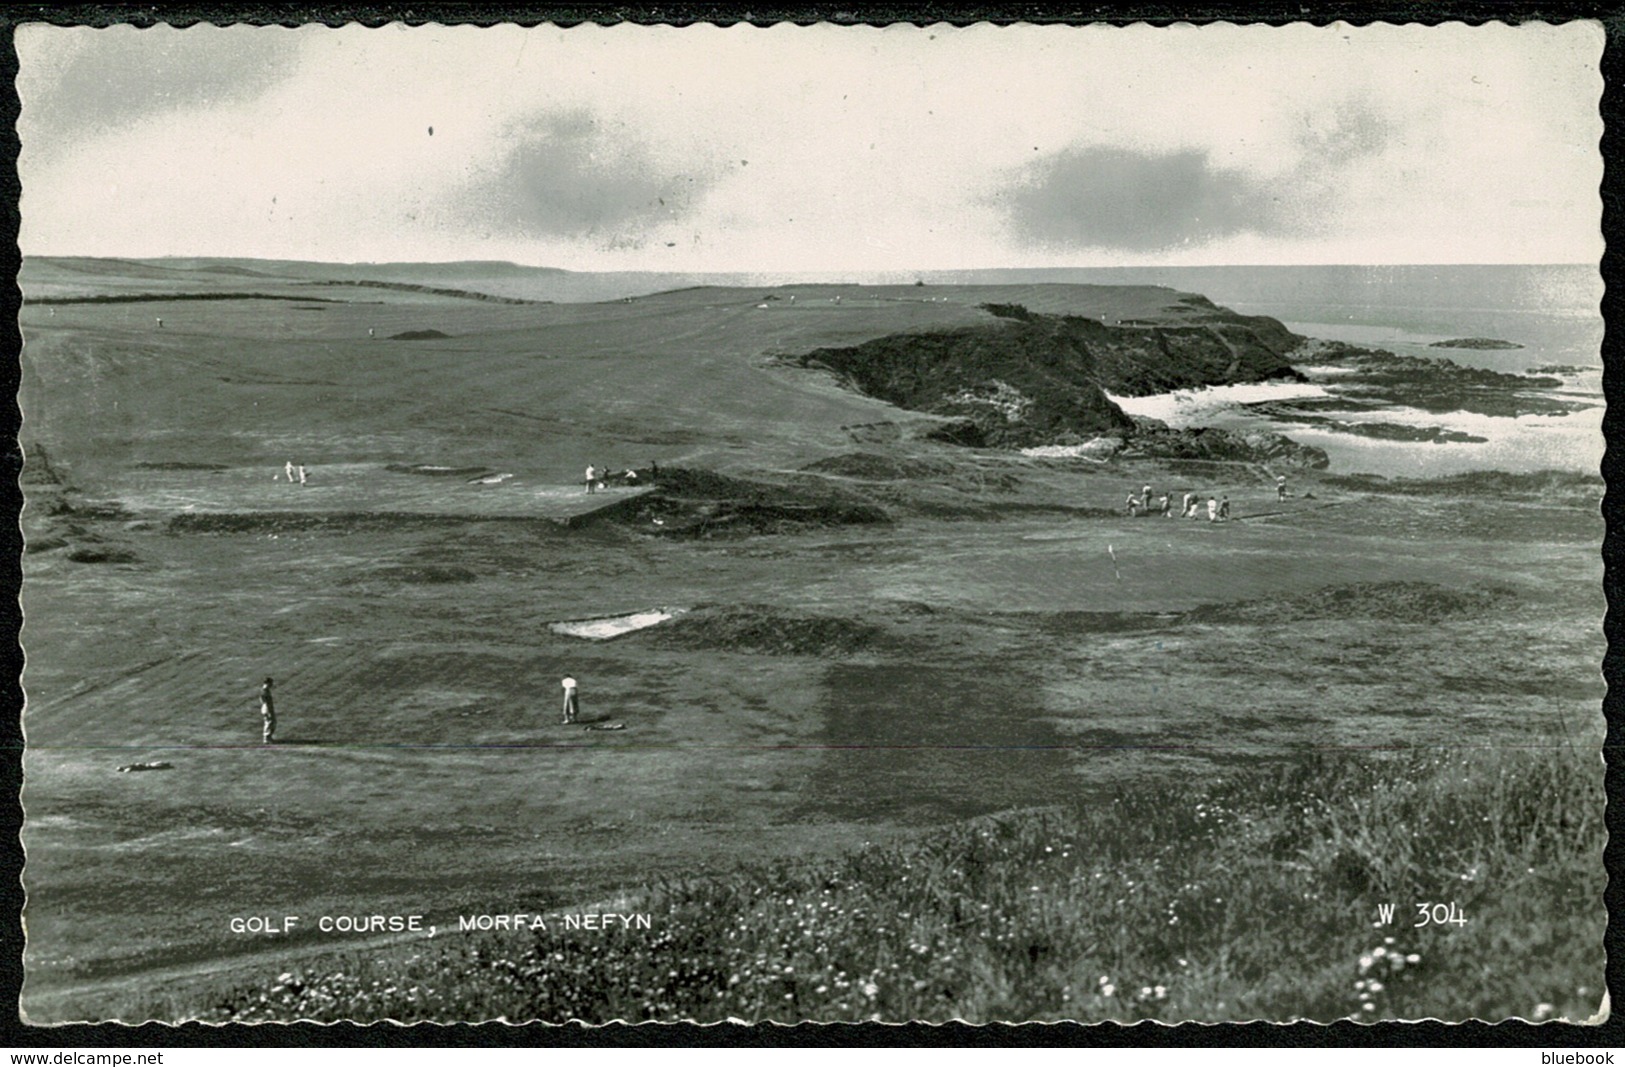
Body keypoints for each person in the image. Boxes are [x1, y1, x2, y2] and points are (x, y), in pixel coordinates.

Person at [259, 677, 276, 744]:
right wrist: (268, 710)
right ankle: (266, 738)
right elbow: (265, 701)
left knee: (271, 722)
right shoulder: (265, 690)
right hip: (267, 708)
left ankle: (268, 737)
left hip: (266, 708)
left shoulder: (264, 690)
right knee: (269, 722)